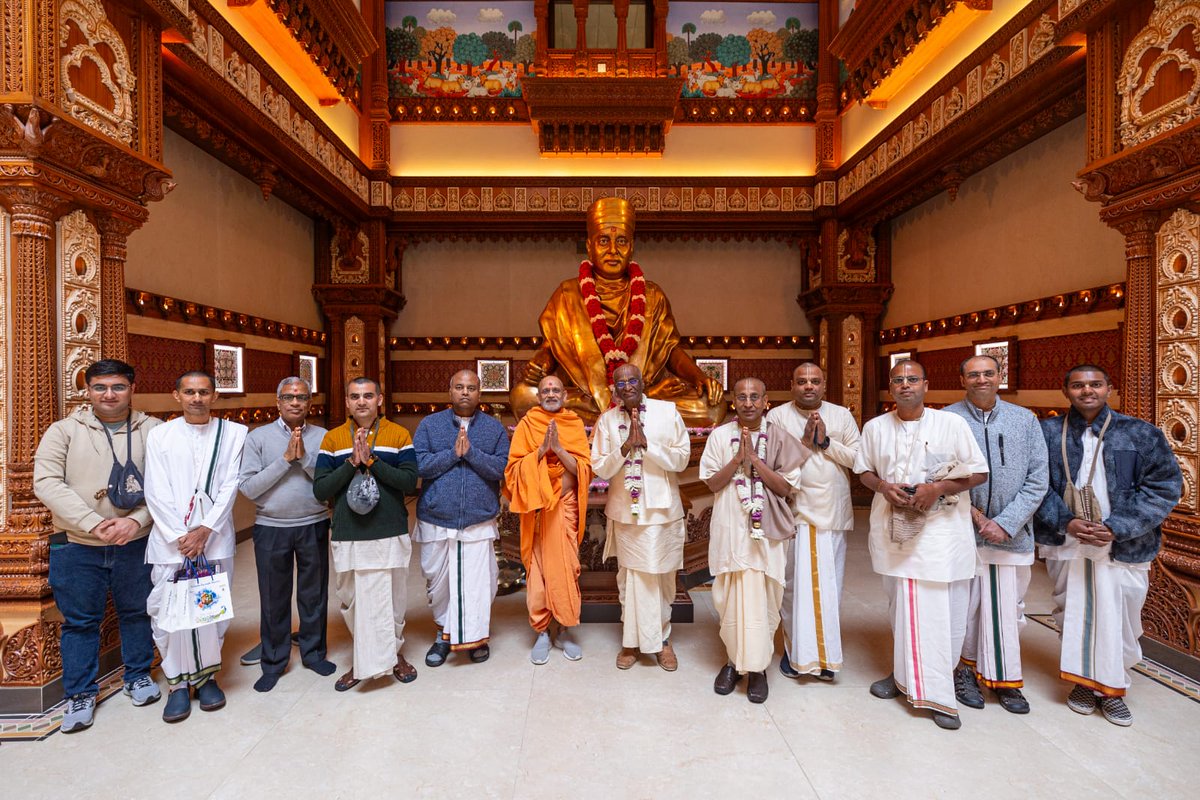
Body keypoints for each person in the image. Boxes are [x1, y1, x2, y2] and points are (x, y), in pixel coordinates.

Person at [1034, 364, 1181, 726]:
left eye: (1095, 384)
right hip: (1070, 540)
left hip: (1123, 545)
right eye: (1078, 385)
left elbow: (1164, 488)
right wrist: (1066, 521)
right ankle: (1083, 684)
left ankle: (1113, 686)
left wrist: (1117, 528)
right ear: (1065, 390)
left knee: (1123, 617)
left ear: (1109, 388)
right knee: (1073, 612)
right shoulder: (1048, 432)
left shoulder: (1141, 434)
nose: (1087, 391)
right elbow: (1036, 484)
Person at [509, 196, 725, 426]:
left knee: (712, 407)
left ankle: (638, 401)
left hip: (637, 394)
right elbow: (552, 347)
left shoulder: (652, 295)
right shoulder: (567, 294)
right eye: (604, 240)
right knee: (523, 397)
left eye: (621, 241)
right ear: (589, 247)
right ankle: (634, 404)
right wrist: (540, 363)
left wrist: (699, 377)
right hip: (586, 395)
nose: (613, 250)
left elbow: (670, 349)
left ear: (631, 248)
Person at [854, 359, 987, 730]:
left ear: (926, 384)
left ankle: (940, 693)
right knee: (902, 607)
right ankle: (903, 677)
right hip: (895, 529)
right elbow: (862, 470)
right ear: (891, 387)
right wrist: (883, 486)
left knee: (944, 611)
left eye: (913, 379)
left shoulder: (952, 423)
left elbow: (979, 471)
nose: (905, 385)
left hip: (941, 532)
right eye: (898, 380)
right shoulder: (876, 427)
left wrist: (936, 489)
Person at [34, 359, 162, 733]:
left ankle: (138, 676)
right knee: (79, 623)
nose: (109, 395)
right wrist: (94, 523)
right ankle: (80, 695)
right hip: (77, 544)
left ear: (131, 389)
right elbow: (46, 483)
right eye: (100, 387)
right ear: (87, 390)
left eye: (118, 387)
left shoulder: (153, 430)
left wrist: (134, 521)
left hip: (136, 541)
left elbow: (167, 486)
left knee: (137, 612)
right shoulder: (63, 432)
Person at [945, 355, 1048, 714]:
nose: (981, 380)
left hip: (1012, 536)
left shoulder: (1025, 420)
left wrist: (1006, 522)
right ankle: (964, 671)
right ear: (962, 379)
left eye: (989, 373)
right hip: (962, 532)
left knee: (1007, 610)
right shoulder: (947, 419)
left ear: (1000, 376)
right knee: (964, 607)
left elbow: (1039, 478)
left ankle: (1004, 678)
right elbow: (939, 476)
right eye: (973, 375)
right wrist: (974, 515)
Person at [144, 370, 247, 723]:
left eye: (204, 392)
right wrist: (180, 536)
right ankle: (176, 684)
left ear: (215, 396)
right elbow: (155, 491)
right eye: (189, 392)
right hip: (172, 543)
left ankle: (207, 678)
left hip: (214, 540)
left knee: (210, 610)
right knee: (168, 611)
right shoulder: (160, 436)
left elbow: (230, 486)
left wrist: (204, 530)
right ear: (177, 396)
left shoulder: (234, 434)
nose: (197, 399)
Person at [700, 377, 808, 703]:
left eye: (755, 397)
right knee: (728, 598)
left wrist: (756, 462)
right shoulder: (720, 437)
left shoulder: (780, 439)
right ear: (733, 401)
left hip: (767, 534)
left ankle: (758, 669)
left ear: (766, 402)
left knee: (766, 598)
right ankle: (733, 662)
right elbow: (711, 484)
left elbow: (786, 488)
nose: (748, 403)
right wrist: (737, 460)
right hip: (730, 529)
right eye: (742, 397)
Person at [314, 376, 419, 691]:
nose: (362, 401)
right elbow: (321, 489)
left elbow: (409, 482)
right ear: (346, 402)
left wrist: (372, 461)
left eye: (368, 396)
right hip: (349, 533)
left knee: (393, 600)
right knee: (352, 600)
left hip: (389, 530)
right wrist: (350, 463)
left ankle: (393, 656)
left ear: (380, 400)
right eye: (355, 396)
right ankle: (364, 660)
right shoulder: (333, 439)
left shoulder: (399, 434)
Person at [237, 377, 335, 693]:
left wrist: (304, 458)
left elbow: (329, 482)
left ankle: (314, 653)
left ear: (310, 403)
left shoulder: (323, 436)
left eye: (302, 397)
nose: (295, 402)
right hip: (271, 528)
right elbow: (248, 488)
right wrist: (284, 461)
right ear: (278, 401)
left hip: (314, 523)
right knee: (274, 597)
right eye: (288, 397)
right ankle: (274, 661)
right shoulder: (258, 437)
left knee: (313, 595)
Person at [591, 363, 690, 671]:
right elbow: (600, 468)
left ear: (643, 381)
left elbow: (681, 459)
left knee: (662, 577)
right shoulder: (607, 420)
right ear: (614, 388)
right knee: (629, 578)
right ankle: (631, 642)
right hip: (626, 512)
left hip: (662, 512)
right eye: (621, 383)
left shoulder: (667, 411)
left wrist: (648, 444)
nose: (628, 386)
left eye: (633, 380)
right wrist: (624, 447)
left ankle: (661, 640)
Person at [766, 362, 860, 682]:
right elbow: (772, 462)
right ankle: (796, 655)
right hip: (795, 511)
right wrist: (805, 444)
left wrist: (827, 443)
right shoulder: (777, 416)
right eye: (802, 381)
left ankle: (826, 657)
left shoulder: (842, 416)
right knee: (794, 588)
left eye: (814, 381)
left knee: (828, 588)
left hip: (832, 511)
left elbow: (859, 460)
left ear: (824, 384)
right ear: (792, 386)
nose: (808, 386)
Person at [413, 370, 510, 666]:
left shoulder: (494, 430)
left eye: (471, 388)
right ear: (450, 391)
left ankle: (476, 635)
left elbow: (500, 469)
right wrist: (453, 455)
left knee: (481, 583)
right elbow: (421, 465)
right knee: (437, 581)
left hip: (477, 521)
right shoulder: (430, 425)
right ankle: (444, 633)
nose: (465, 392)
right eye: (459, 387)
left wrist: (472, 454)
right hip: (436, 518)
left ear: (480, 393)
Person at [505, 375, 593, 664]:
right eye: (546, 390)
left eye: (556, 390)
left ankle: (565, 629)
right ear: (538, 395)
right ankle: (542, 630)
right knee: (538, 570)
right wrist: (542, 451)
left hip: (565, 507)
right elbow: (513, 470)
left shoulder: (574, 424)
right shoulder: (529, 424)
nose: (551, 394)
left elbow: (584, 469)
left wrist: (560, 450)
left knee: (567, 568)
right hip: (537, 508)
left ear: (565, 395)